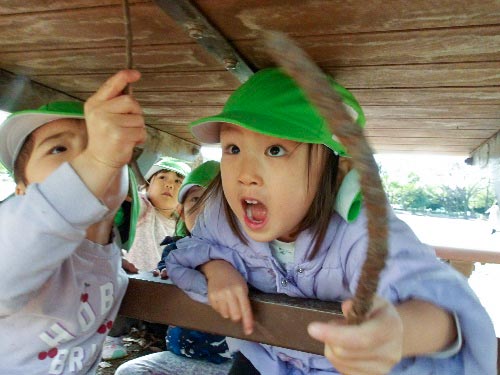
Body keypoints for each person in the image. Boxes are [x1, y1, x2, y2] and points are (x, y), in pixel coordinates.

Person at [165, 68, 497, 374]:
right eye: (233, 148)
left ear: (336, 169)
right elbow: (190, 249)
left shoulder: (365, 233)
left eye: (276, 150)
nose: (246, 175)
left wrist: (398, 332)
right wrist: (218, 268)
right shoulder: (223, 217)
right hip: (264, 361)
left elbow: (447, 316)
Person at [0, 70, 146, 373]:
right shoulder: (18, 242)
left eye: (102, 148)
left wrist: (113, 262)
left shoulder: (107, 253)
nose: (90, 158)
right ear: (23, 191)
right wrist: (95, 163)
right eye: (59, 149)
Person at [116, 160, 232, 375]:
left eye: (216, 200)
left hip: (231, 363)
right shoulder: (175, 249)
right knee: (131, 371)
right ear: (181, 211)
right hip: (182, 355)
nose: (204, 208)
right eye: (196, 199)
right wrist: (166, 275)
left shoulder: (244, 253)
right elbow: (164, 273)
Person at [103, 156, 191, 360]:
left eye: (179, 181)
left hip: (162, 294)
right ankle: (112, 336)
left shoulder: (182, 223)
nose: (170, 183)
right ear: (148, 185)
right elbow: (129, 199)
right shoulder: (143, 208)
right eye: (162, 177)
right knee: (119, 284)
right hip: (134, 287)